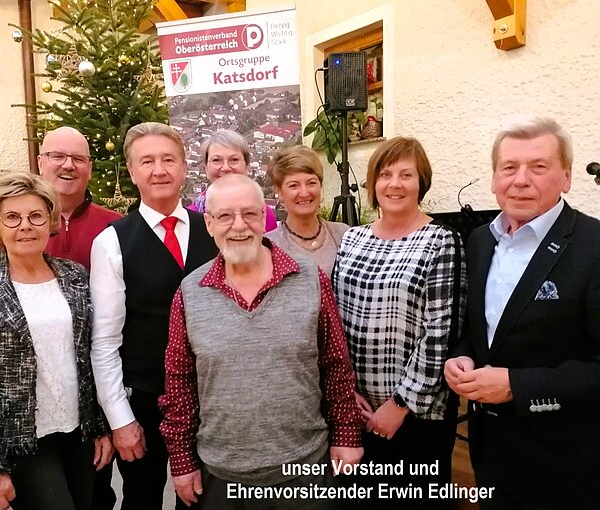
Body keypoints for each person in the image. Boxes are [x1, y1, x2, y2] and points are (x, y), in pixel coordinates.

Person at [159, 174, 363, 509]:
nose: (239, 226)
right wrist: (182, 461)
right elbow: (179, 384)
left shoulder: (309, 278)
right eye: (225, 216)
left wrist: (347, 435)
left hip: (305, 471)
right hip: (221, 478)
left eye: (250, 214)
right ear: (209, 224)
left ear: (265, 218)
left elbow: (336, 365)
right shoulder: (190, 292)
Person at [444, 116, 600, 509]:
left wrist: (517, 386)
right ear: (494, 179)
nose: (521, 180)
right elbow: (482, 332)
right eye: (509, 167)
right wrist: (463, 356)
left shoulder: (594, 246)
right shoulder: (480, 241)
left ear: (567, 177)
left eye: (539, 167)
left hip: (567, 464)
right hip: (490, 454)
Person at [0, 171, 113, 510]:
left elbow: (89, 358)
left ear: (50, 221)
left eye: (36, 216)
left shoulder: (74, 276)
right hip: (20, 441)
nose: (25, 226)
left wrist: (101, 427)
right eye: (12, 217)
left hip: (79, 433)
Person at [332, 137, 466, 509]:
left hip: (414, 416)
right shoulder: (352, 239)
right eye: (385, 174)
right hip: (356, 409)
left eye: (406, 175)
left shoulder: (442, 241)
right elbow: (336, 320)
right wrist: (346, 394)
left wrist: (399, 405)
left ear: (421, 182)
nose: (395, 184)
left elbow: (441, 332)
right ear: (373, 183)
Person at [90, 122, 218, 509]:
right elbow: (105, 342)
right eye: (147, 161)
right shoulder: (112, 241)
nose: (159, 170)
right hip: (144, 399)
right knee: (142, 499)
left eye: (168, 159)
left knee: (201, 499)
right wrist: (120, 420)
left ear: (184, 167)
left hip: (211, 398)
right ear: (132, 172)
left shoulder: (213, 229)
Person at [0, 126, 122, 271]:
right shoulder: (9, 226)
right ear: (40, 163)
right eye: (58, 156)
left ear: (90, 168)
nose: (68, 165)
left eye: (78, 159)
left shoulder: (115, 226)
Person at [266, 145, 349, 275]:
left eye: (311, 183)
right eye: (293, 185)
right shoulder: (268, 245)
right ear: (279, 192)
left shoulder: (343, 234)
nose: (304, 193)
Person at [188, 129, 278, 232]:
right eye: (216, 160)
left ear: (247, 167)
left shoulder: (264, 215)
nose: (226, 168)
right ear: (206, 168)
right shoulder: (190, 220)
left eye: (234, 159)